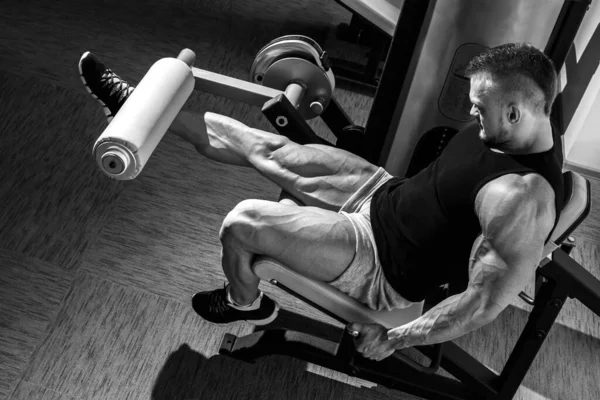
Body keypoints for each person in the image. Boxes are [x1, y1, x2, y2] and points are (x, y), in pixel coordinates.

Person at [78, 42, 564, 362]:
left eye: (481, 109)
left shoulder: (520, 201)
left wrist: (392, 338)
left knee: (242, 222)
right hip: (383, 193)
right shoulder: (530, 123)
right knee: (269, 147)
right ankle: (138, 109)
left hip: (382, 264)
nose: (473, 114)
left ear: (517, 110)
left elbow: (482, 304)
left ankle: (245, 303)